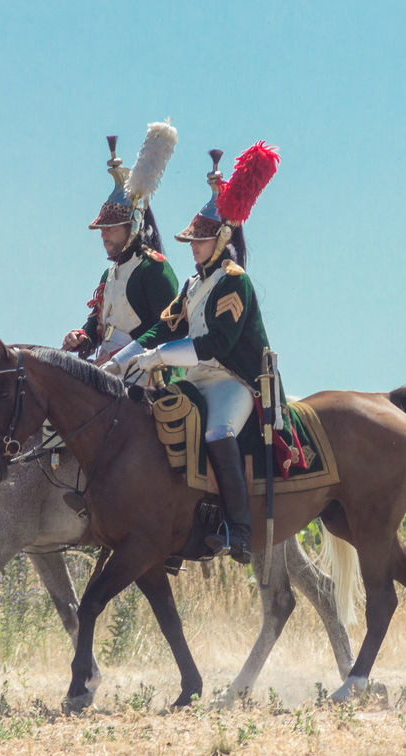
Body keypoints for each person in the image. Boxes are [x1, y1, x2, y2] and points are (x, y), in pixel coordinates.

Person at [106, 142, 281, 563]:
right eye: (193, 239)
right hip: (198, 377)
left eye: (202, 240)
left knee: (216, 431)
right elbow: (163, 327)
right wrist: (122, 359)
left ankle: (238, 529)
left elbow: (215, 345)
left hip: (233, 381)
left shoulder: (235, 282)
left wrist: (162, 358)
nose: (193, 246)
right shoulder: (191, 285)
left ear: (222, 238)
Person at [63, 123, 180, 364]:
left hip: (145, 371)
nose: (104, 234)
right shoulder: (109, 274)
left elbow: (170, 328)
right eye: (102, 228)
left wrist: (125, 357)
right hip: (105, 365)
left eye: (112, 227)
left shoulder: (153, 269)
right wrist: (82, 337)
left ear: (133, 225)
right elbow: (97, 326)